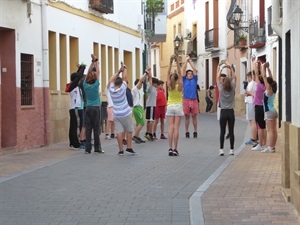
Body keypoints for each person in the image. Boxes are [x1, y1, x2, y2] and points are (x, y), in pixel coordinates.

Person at [109, 63, 136, 155]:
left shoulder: (111, 90)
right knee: (129, 130)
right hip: (125, 113)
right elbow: (125, 78)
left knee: (119, 132)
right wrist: (125, 68)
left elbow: (111, 79)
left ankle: (120, 150)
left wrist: (119, 71)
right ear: (121, 84)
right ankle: (129, 147)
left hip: (116, 114)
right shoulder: (122, 89)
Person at [83, 54, 104, 154]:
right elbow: (98, 72)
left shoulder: (85, 85)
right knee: (96, 128)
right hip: (96, 108)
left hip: (87, 108)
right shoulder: (96, 85)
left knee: (88, 129)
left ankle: (87, 149)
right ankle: (97, 148)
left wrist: (92, 63)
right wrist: (97, 62)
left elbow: (87, 74)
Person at [216, 62, 236, 156]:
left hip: (223, 112)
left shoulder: (221, 88)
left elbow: (217, 77)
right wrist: (230, 67)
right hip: (231, 112)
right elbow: (235, 77)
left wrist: (221, 67)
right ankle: (231, 150)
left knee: (222, 131)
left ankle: (221, 150)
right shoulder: (233, 88)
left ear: (223, 82)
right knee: (231, 131)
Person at [166, 55, 183, 156]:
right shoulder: (180, 85)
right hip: (178, 107)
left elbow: (168, 73)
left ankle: (170, 148)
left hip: (170, 106)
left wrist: (170, 62)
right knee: (176, 128)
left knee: (170, 127)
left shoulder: (169, 85)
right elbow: (180, 73)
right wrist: (177, 62)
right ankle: (175, 149)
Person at [68, 63, 86, 149]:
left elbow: (77, 76)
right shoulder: (73, 86)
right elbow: (78, 76)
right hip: (75, 108)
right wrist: (83, 66)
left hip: (75, 107)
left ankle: (73, 142)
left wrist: (79, 69)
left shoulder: (74, 85)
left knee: (74, 125)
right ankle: (76, 143)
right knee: (76, 126)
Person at [261, 62, 278, 153]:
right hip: (273, 110)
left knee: (270, 130)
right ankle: (273, 146)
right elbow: (270, 78)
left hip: (268, 111)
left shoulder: (268, 89)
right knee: (274, 130)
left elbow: (264, 77)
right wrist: (268, 69)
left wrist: (263, 67)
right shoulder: (273, 87)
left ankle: (270, 147)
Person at [251, 57, 267, 151]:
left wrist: (255, 63)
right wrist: (261, 66)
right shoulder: (265, 86)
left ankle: (260, 144)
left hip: (258, 107)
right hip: (262, 107)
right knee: (263, 126)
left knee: (260, 127)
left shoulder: (259, 85)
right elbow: (260, 74)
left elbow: (256, 73)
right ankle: (263, 143)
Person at [182, 55, 199, 138]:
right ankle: (187, 131)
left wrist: (190, 62)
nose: (190, 75)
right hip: (186, 100)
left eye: (191, 74)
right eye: (188, 74)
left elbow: (195, 70)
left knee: (194, 116)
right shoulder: (184, 80)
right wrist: (186, 61)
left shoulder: (194, 79)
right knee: (187, 116)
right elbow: (183, 70)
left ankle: (195, 131)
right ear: (186, 75)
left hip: (194, 100)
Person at [144, 68, 159, 141]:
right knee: (151, 120)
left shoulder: (153, 88)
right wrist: (150, 71)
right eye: (156, 83)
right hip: (151, 105)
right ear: (153, 83)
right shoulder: (150, 87)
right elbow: (150, 78)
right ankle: (149, 133)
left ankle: (147, 132)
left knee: (149, 120)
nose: (157, 85)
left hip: (150, 105)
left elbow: (150, 78)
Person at [244, 71, 258, 145]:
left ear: (251, 76)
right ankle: (254, 136)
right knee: (251, 121)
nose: (247, 78)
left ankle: (253, 138)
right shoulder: (250, 84)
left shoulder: (253, 83)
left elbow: (254, 94)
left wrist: (248, 93)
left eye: (248, 77)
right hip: (249, 102)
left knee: (253, 121)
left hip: (251, 103)